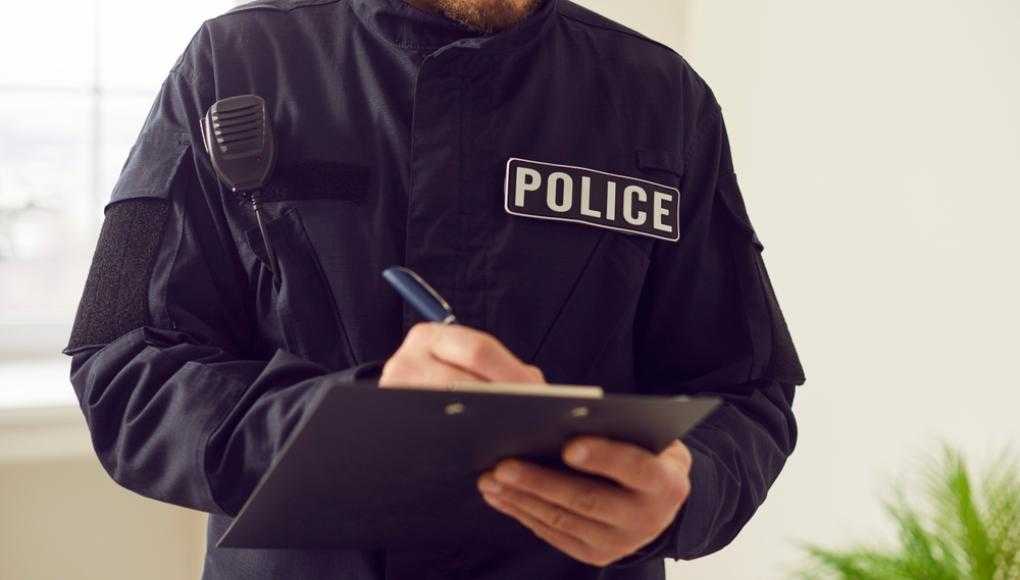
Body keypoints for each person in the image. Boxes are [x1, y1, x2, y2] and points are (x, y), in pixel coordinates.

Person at [62, 0, 807, 578]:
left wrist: (688, 485)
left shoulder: (664, 99)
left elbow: (748, 389)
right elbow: (122, 362)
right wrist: (351, 424)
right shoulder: (232, 65)